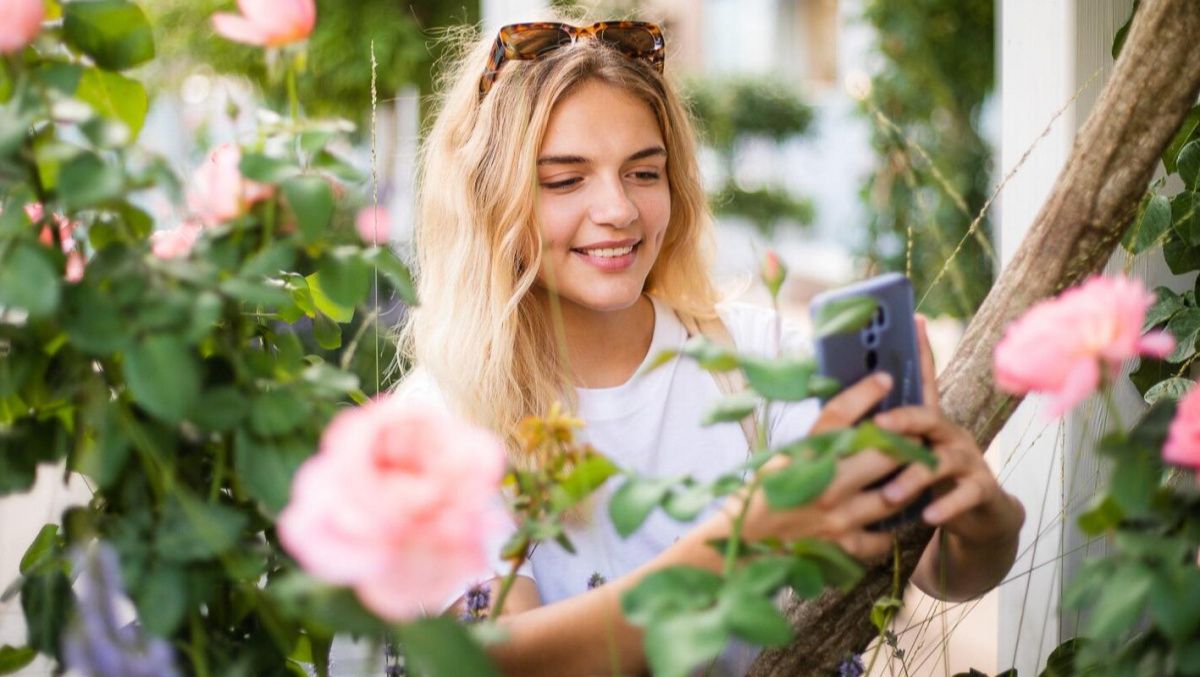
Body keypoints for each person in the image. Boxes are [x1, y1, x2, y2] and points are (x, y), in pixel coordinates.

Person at [394, 16, 1025, 676]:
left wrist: (979, 516)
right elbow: (502, 659)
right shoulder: (441, 413)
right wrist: (743, 535)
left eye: (644, 172)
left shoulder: (756, 359)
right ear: (488, 197)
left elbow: (942, 569)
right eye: (564, 179)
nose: (619, 209)